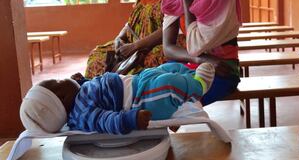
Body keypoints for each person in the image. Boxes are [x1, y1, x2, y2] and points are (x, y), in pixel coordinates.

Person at [19, 62, 215, 134]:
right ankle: (199, 86)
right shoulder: (82, 115)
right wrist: (130, 119)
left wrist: (84, 80)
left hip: (137, 82)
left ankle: (190, 79)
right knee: (168, 84)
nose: (66, 79)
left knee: (167, 68)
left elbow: (97, 89)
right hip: (140, 100)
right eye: (60, 81)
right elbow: (105, 121)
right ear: (61, 98)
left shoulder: (79, 94)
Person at [84, 0, 171, 78]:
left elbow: (169, 28)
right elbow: (130, 24)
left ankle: (124, 91)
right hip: (131, 44)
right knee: (98, 55)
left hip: (157, 45)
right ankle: (98, 91)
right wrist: (119, 38)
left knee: (150, 61)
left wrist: (135, 46)